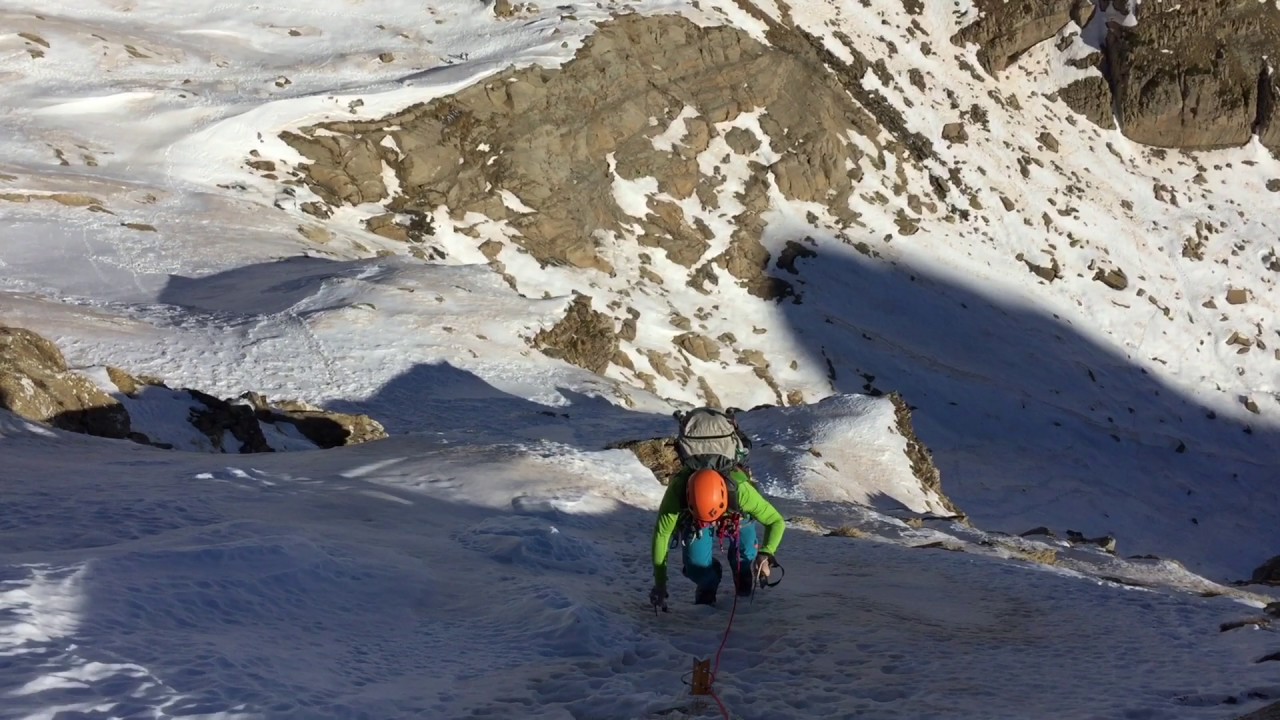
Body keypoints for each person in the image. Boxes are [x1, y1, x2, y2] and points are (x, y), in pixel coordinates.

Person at [649, 465, 785, 608]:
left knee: (746, 551)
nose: (712, 523)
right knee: (696, 565)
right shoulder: (677, 493)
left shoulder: (742, 492)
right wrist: (660, 583)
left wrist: (766, 553)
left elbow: (776, 521)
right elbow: (662, 535)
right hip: (693, 519)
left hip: (734, 513)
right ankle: (707, 582)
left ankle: (742, 572)